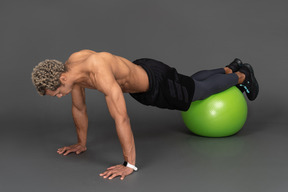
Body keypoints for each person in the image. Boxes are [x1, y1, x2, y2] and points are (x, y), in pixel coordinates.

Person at [31, 49, 259, 180]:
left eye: (57, 93)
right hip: (141, 73)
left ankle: (241, 76)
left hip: (155, 84)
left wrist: (129, 165)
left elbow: (121, 117)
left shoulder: (97, 70)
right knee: (189, 82)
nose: (59, 96)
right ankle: (229, 67)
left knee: (196, 93)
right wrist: (81, 143)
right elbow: (79, 108)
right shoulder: (72, 67)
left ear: (61, 79)